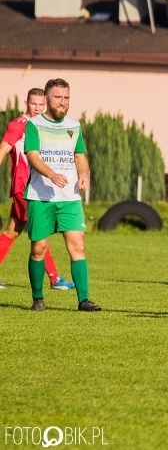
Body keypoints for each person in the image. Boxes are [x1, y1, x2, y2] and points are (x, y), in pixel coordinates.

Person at [24, 78, 100, 312]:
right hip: (41, 196)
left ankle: (84, 300)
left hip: (69, 197)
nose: (63, 102)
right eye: (58, 97)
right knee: (39, 248)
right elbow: (33, 156)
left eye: (66, 97)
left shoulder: (74, 126)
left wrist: (84, 175)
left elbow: (79, 156)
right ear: (47, 98)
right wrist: (51, 174)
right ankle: (38, 298)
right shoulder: (34, 124)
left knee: (78, 246)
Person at [0, 88, 73, 291]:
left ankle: (54, 279)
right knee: (40, 231)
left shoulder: (42, 125)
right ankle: (54, 279)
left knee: (11, 232)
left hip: (36, 188)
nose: (38, 108)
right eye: (34, 104)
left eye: (41, 105)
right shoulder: (18, 125)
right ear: (26, 103)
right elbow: (3, 150)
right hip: (24, 188)